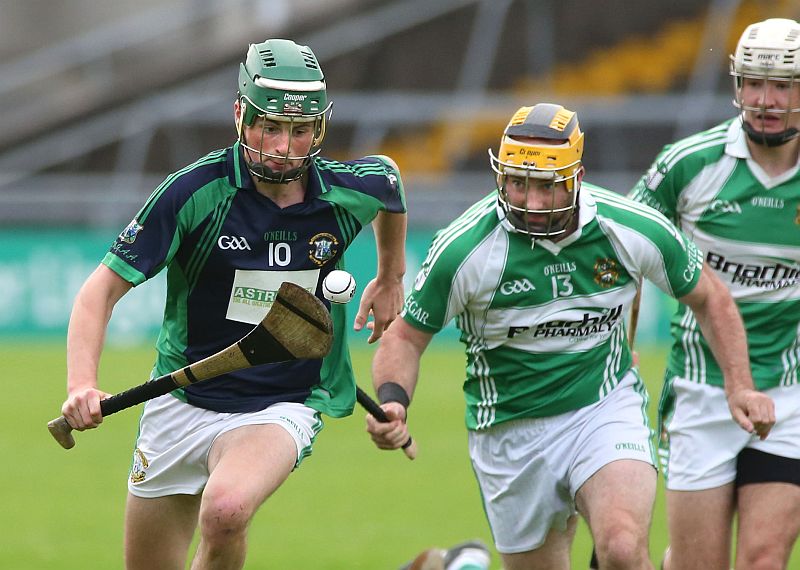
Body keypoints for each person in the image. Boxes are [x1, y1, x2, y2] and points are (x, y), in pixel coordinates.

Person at [365, 102, 774, 570]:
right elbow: (405, 338)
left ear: (576, 176)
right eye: (517, 182)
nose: (530, 202)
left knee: (621, 547)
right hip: (509, 432)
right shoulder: (465, 249)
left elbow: (711, 297)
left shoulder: (628, 227)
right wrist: (393, 399)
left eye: (545, 186)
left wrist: (739, 385)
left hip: (602, 408)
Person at [59, 38, 407, 569]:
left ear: (319, 130)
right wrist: (81, 383)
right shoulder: (195, 192)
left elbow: (390, 185)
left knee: (226, 509)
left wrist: (390, 276)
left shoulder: (345, 192)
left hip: (282, 401)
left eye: (299, 131)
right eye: (269, 126)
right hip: (182, 396)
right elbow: (98, 293)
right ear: (240, 115)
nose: (283, 146)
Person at [628, 17, 800, 570]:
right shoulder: (688, 165)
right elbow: (624, 253)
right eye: (753, 82)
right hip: (700, 391)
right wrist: (621, 345)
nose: (765, 100)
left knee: (765, 559)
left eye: (782, 85)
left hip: (791, 392)